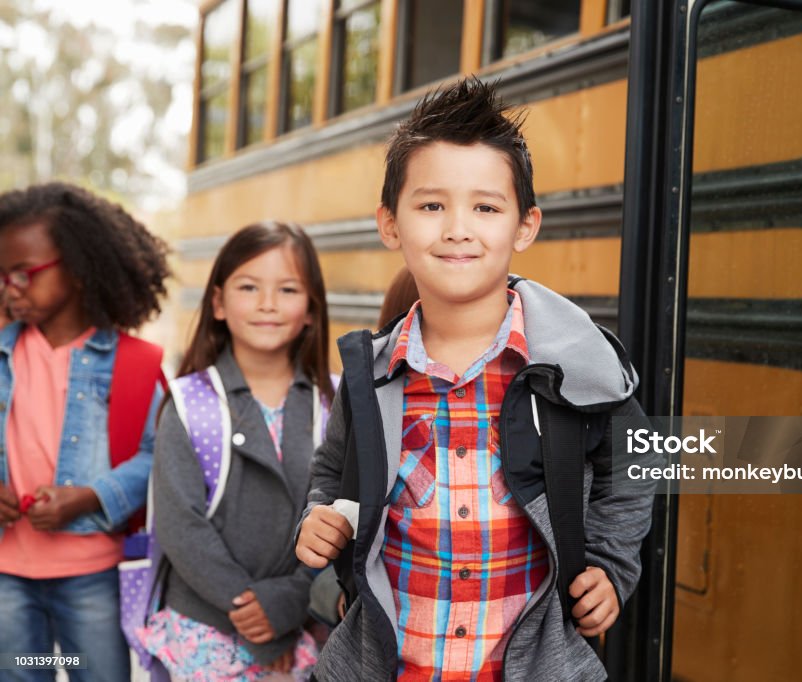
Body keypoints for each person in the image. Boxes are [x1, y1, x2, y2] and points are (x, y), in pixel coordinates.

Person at [295, 77, 658, 681]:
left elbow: (639, 464)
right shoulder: (371, 377)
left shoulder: (575, 367)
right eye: (432, 205)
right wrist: (319, 518)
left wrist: (611, 566)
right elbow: (331, 475)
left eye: (486, 207)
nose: (458, 228)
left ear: (525, 226)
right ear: (390, 224)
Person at [139, 222, 334, 681]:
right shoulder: (190, 402)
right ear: (219, 303)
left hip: (304, 630)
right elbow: (180, 525)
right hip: (205, 635)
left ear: (311, 310)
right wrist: (255, 612)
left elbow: (342, 516)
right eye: (249, 287)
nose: (268, 304)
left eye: (288, 289)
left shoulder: (333, 403)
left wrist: (288, 603)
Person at [0, 182, 171, 682]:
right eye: (3, 273)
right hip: (8, 573)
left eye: (24, 273)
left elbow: (158, 454)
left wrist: (92, 496)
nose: (11, 286)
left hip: (93, 573)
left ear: (77, 268)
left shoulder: (133, 364)